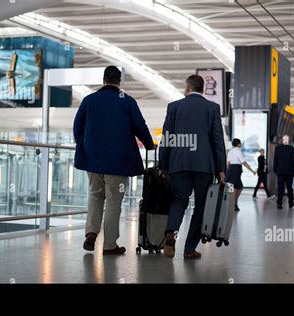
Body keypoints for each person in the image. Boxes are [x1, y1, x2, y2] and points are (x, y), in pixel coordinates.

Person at [73, 66, 155, 255]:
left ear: (103, 80)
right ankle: (109, 245)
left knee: (95, 195)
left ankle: (91, 234)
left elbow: (77, 127)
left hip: (92, 160)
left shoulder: (89, 100)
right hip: (118, 163)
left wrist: (84, 145)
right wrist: (149, 144)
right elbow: (140, 126)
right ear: (119, 82)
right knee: (113, 201)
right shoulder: (126, 101)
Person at [159, 74, 226, 260]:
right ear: (202, 89)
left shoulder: (174, 107)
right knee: (201, 205)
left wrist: (162, 164)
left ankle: (171, 233)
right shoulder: (212, 108)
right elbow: (217, 141)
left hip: (178, 163)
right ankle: (189, 249)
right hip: (204, 165)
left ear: (187, 89)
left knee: (179, 200)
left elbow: (166, 138)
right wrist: (221, 169)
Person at [226, 138, 256, 211]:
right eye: (240, 143)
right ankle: (233, 204)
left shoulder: (230, 151)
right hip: (236, 170)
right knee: (236, 188)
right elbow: (244, 162)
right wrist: (252, 171)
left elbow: (228, 163)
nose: (241, 144)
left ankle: (234, 203)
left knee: (237, 187)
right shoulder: (238, 152)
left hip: (231, 170)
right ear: (238, 144)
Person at [273, 135, 294, 209]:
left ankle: (279, 203)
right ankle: (290, 202)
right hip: (289, 172)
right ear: (288, 140)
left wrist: (275, 170)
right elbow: (293, 161)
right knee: (289, 188)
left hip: (280, 172)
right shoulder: (291, 149)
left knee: (280, 188)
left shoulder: (277, 148)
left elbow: (275, 160)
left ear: (282, 140)